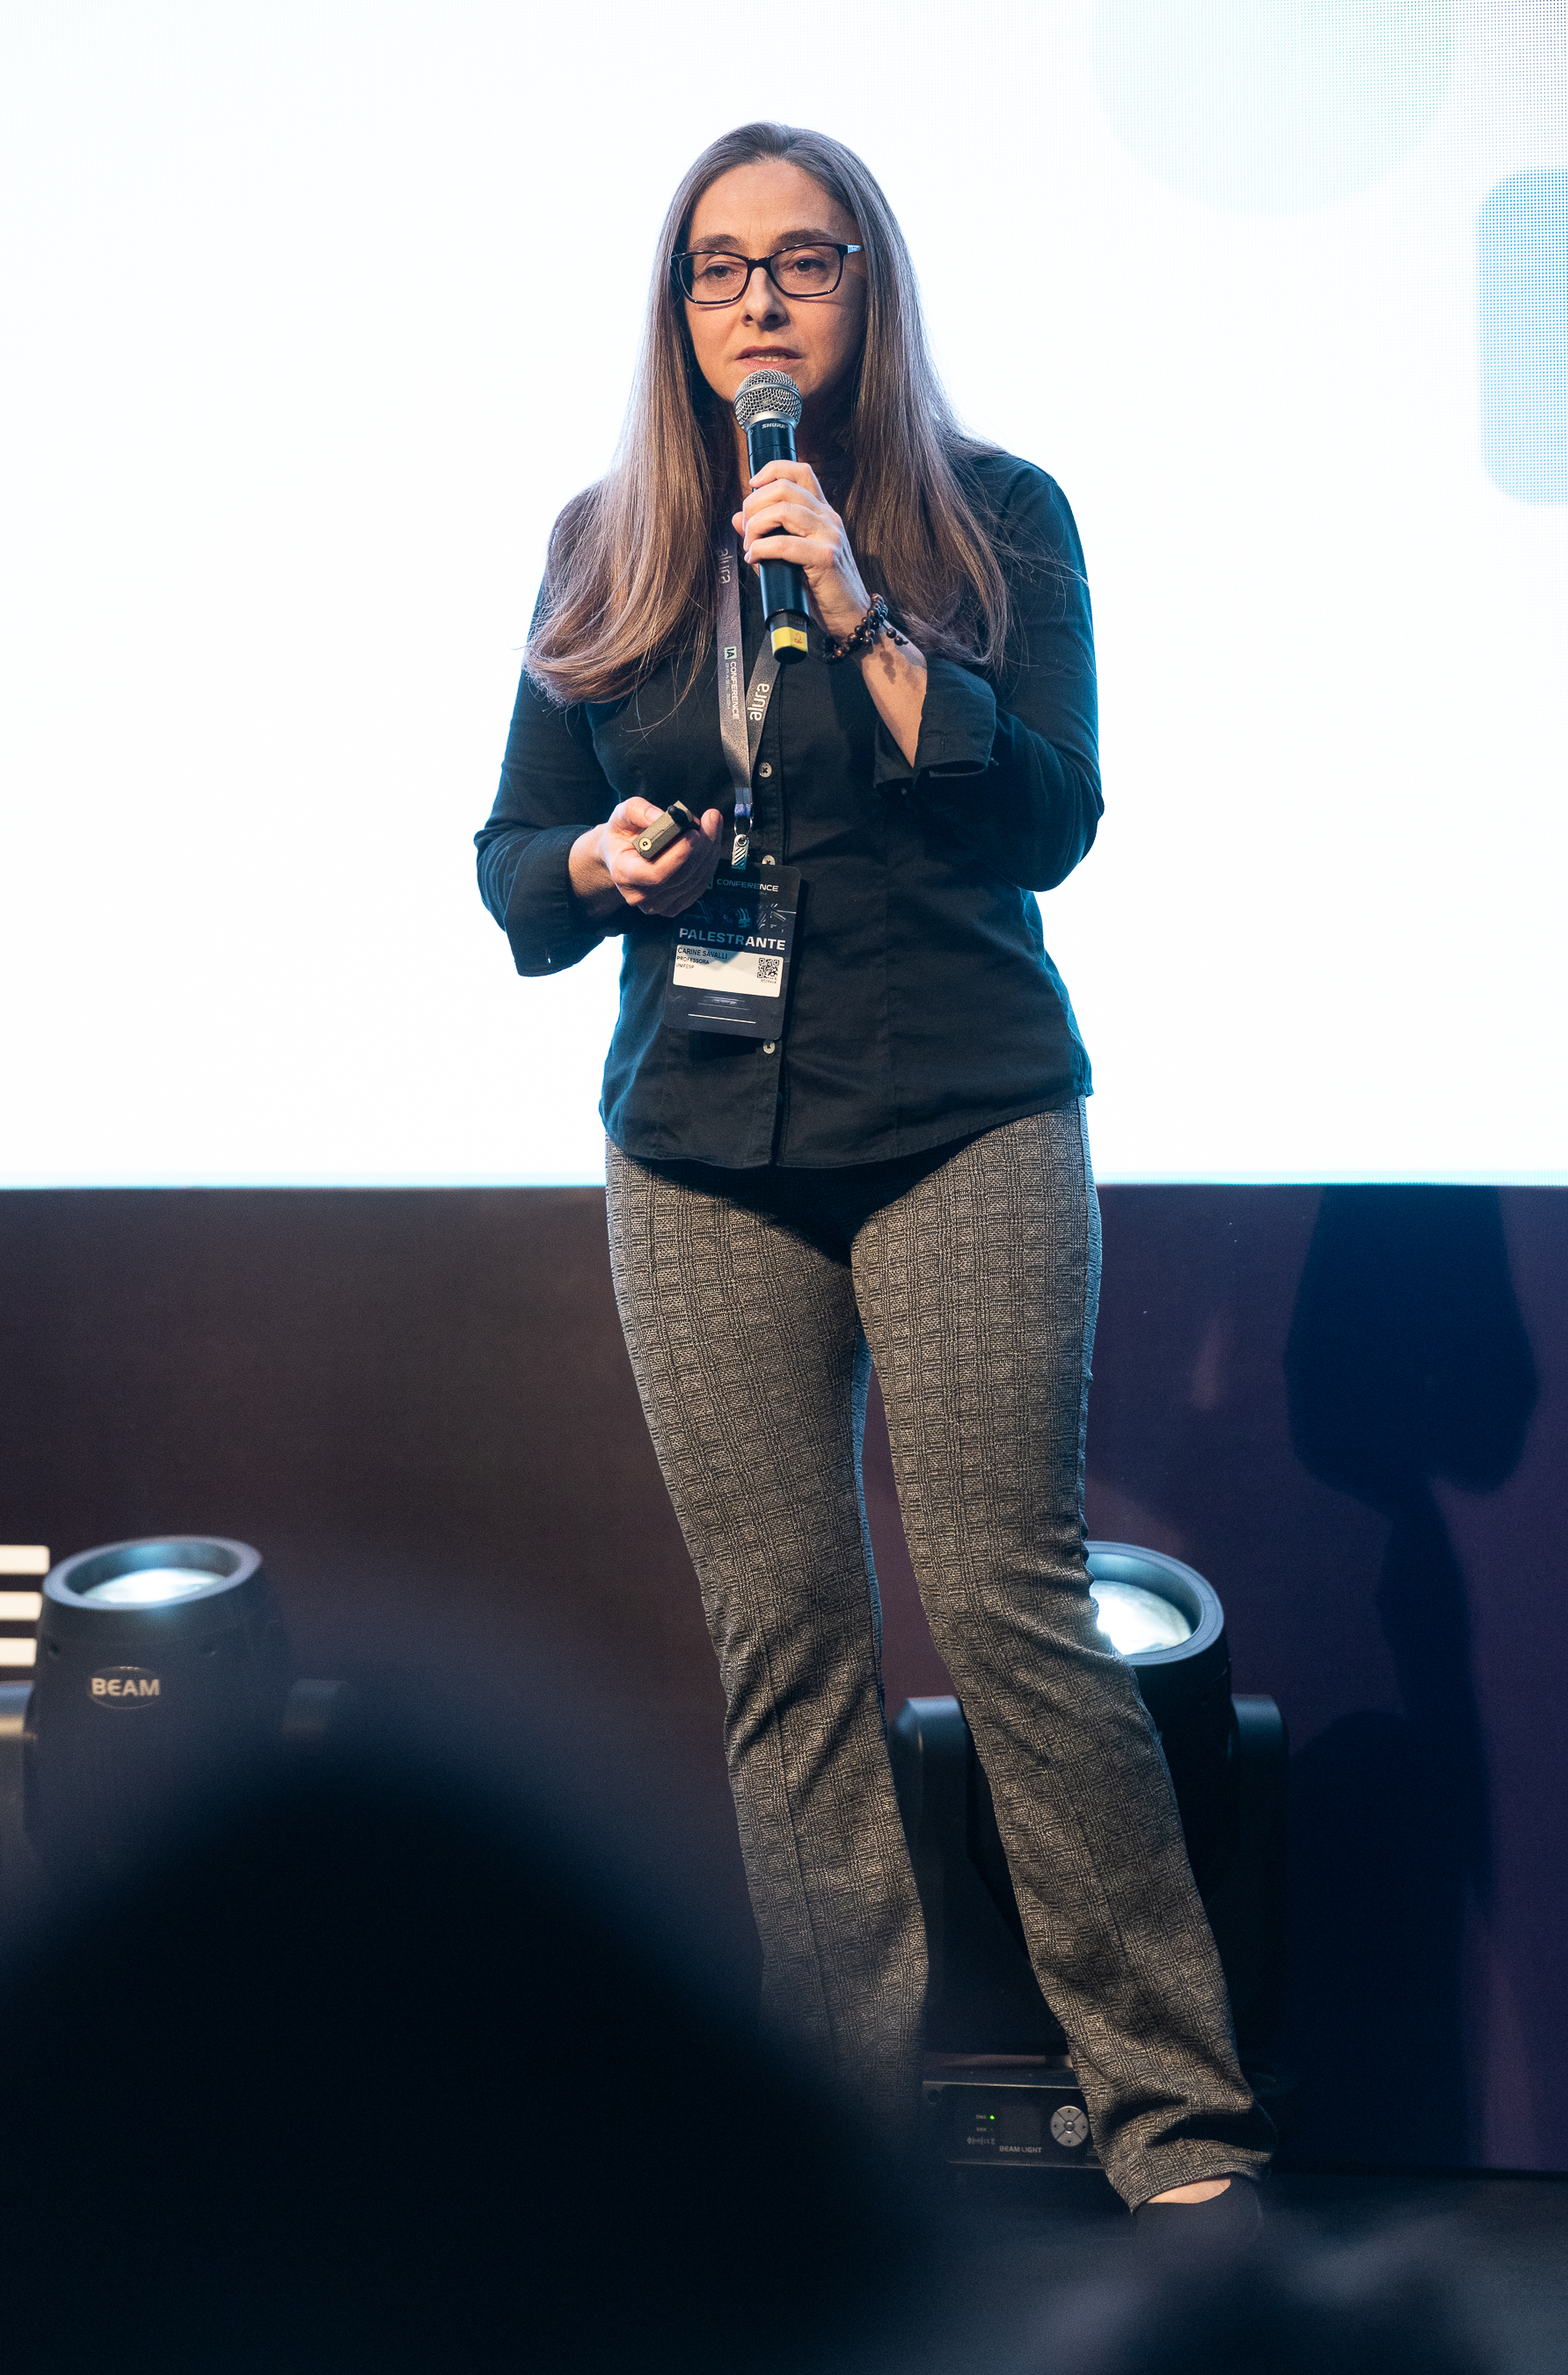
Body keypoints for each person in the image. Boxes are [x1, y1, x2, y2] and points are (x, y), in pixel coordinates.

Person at [476, 120, 1273, 2218]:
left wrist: (855, 600)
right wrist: (593, 857)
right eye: (720, 269)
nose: (758, 300)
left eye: (802, 263)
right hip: (699, 1146)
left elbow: (1044, 819)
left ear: (864, 293)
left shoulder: (988, 515)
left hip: (961, 1122)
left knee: (1015, 1623)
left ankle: (1180, 2140)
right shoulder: (604, 544)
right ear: (682, 311)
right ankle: (825, 2166)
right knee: (789, 1654)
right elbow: (513, 866)